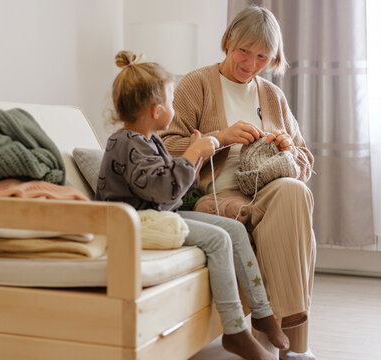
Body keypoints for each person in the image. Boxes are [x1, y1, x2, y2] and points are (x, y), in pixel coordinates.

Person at [95, 50, 289, 360]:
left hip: (157, 215)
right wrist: (190, 154)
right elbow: (161, 188)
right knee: (217, 238)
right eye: (172, 103)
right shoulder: (124, 143)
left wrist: (196, 159)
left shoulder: (149, 140)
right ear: (157, 111)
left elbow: (172, 192)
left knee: (234, 231)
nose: (175, 109)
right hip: (135, 223)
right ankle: (235, 331)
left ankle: (263, 314)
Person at [160, 6, 317, 360]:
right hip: (218, 194)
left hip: (267, 189)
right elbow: (168, 150)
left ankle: (281, 334)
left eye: (263, 56)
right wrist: (221, 137)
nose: (251, 63)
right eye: (244, 51)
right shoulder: (196, 83)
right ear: (228, 41)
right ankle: (294, 346)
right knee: (293, 225)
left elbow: (306, 162)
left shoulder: (273, 96)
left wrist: (288, 150)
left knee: (295, 191)